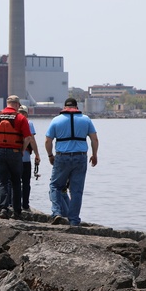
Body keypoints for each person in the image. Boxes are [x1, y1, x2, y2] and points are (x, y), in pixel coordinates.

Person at [45, 97, 98, 226]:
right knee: (76, 190)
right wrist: (94, 155)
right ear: (76, 107)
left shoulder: (56, 120)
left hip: (62, 157)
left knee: (55, 186)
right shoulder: (86, 120)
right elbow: (94, 139)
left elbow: (48, 141)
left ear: (65, 107)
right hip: (80, 157)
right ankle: (74, 220)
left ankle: (56, 213)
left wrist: (50, 155)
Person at [0, 94, 38, 219]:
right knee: (16, 182)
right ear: (16, 105)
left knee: (2, 182)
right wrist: (22, 150)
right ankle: (17, 212)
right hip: (15, 152)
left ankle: (3, 209)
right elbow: (28, 138)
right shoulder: (20, 118)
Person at [19, 105, 41, 210]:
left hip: (12, 157)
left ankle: (11, 203)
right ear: (26, 114)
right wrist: (37, 154)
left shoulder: (13, 122)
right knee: (26, 182)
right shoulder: (28, 123)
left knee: (13, 181)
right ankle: (25, 205)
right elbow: (31, 140)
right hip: (25, 158)